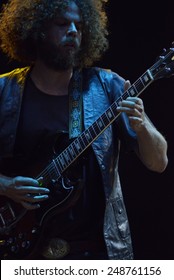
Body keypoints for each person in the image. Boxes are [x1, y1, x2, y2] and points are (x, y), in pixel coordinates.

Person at [0, 0, 168, 260]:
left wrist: (142, 123)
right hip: (18, 251)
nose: (73, 31)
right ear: (37, 29)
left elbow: (159, 162)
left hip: (96, 255)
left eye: (79, 25)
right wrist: (5, 185)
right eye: (62, 23)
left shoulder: (107, 87)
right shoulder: (4, 91)